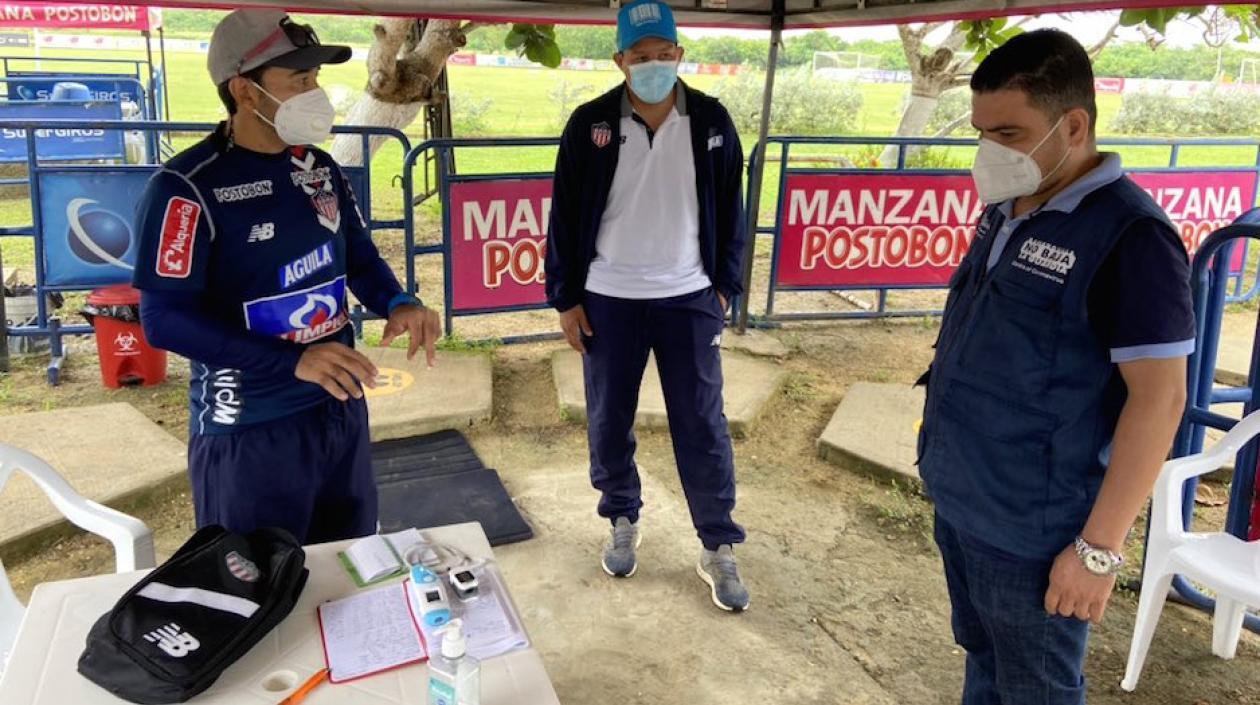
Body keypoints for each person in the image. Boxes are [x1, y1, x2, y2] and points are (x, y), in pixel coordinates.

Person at [916, 29, 1194, 704]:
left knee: (1036, 689)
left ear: (1074, 125)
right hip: (964, 505)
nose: (990, 152)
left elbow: (1159, 402)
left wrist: (1098, 551)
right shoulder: (1010, 206)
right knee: (984, 665)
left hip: (1037, 535)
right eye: (982, 132)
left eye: (1009, 132)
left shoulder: (1132, 239)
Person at [132, 9, 441, 545]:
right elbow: (164, 321)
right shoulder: (185, 189)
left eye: (315, 77)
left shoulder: (320, 168)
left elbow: (357, 257)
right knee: (258, 594)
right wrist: (293, 360)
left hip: (339, 408)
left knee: (349, 566)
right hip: (249, 429)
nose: (315, 91)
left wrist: (398, 301)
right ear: (245, 92)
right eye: (299, 79)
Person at [544, 0, 751, 611]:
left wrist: (724, 288)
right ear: (620, 60)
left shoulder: (711, 120)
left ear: (681, 56)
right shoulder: (590, 124)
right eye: (641, 57)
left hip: (688, 298)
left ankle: (717, 543)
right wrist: (566, 299)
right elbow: (563, 216)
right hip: (609, 300)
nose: (654, 65)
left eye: (665, 55)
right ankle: (620, 517)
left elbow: (733, 210)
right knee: (609, 418)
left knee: (703, 424)